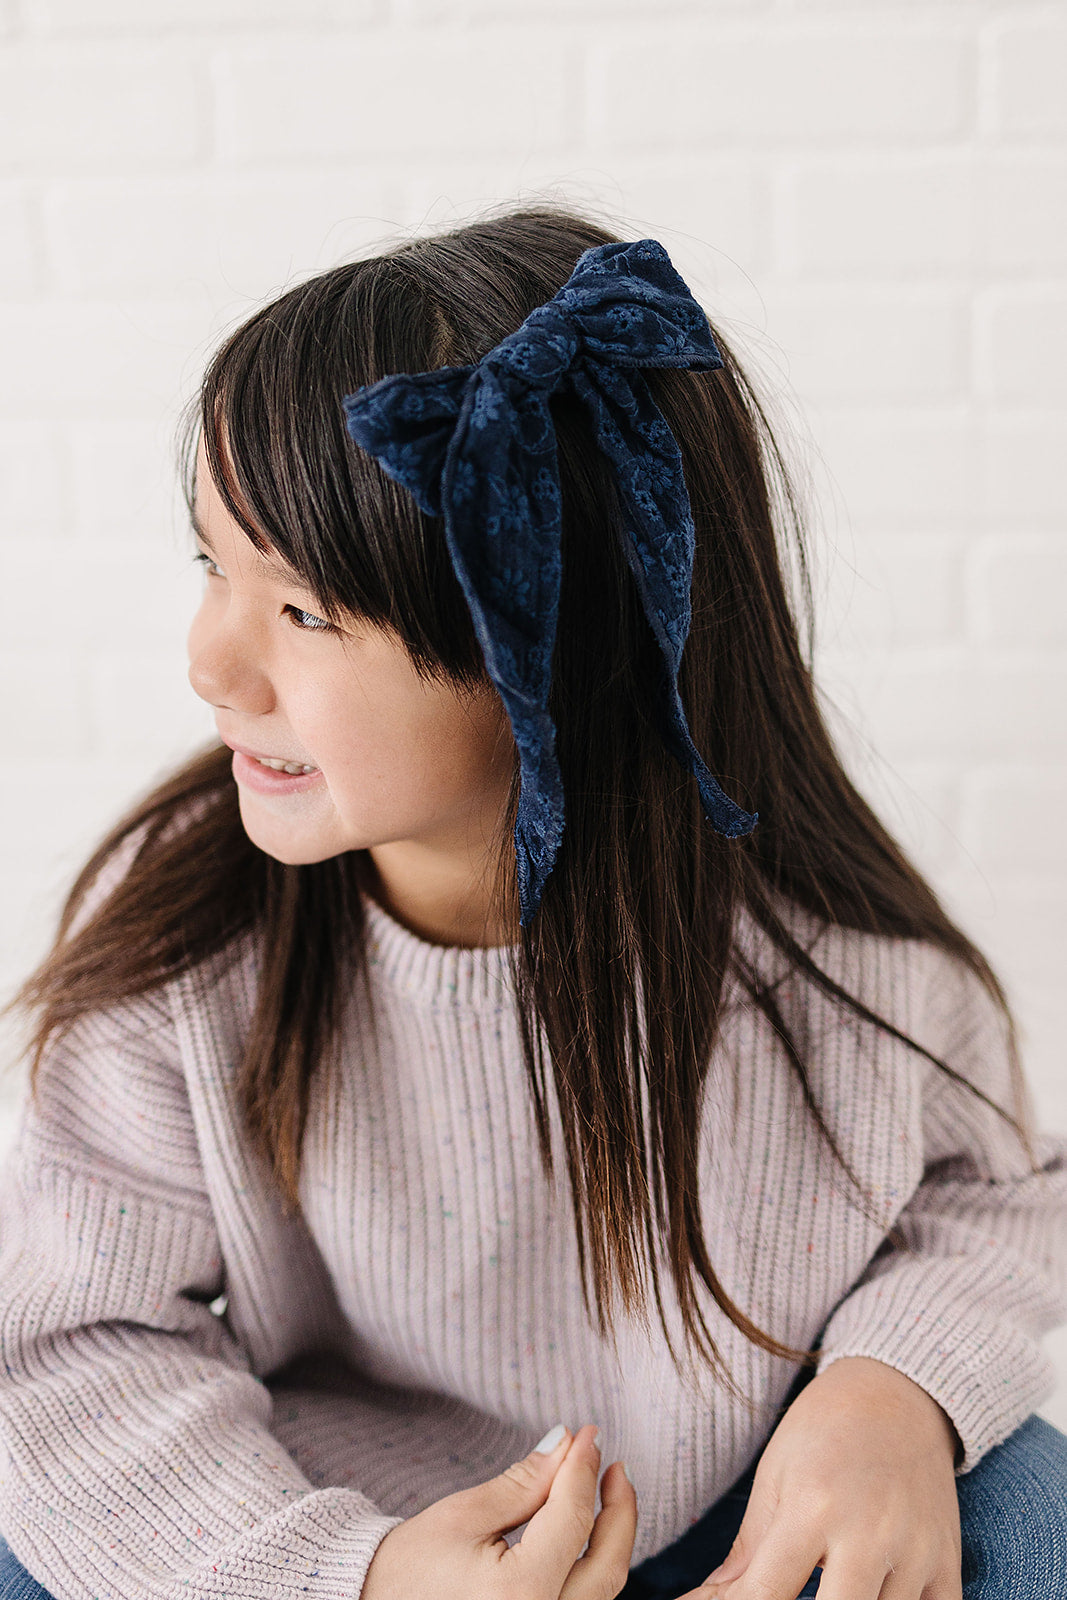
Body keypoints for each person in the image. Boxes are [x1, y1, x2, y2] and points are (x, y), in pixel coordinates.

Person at [0, 205, 1064, 1600]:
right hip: (342, 1531)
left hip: (736, 1525)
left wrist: (886, 1394)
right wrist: (354, 1579)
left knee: (1030, 1513)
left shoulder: (822, 953)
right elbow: (67, 1343)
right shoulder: (191, 960)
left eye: (306, 612)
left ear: (555, 653)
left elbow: (989, 1199)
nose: (212, 662)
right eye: (214, 567)